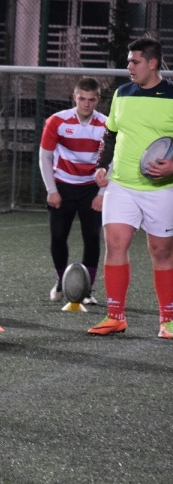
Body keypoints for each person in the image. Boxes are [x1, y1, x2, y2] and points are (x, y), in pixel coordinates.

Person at [88, 37, 173, 337]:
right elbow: (109, 135)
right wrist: (102, 165)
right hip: (121, 185)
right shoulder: (122, 94)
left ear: (152, 63)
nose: (129, 67)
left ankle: (168, 320)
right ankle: (115, 316)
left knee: (161, 251)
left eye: (134, 61)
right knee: (115, 244)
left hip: (161, 188)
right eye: (128, 61)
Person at [40, 76, 107, 305]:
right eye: (82, 99)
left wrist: (101, 195)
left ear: (98, 100)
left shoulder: (107, 125)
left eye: (91, 100)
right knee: (58, 236)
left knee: (92, 237)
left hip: (91, 188)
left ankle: (87, 290)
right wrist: (51, 189)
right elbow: (45, 156)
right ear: (74, 98)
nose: (86, 104)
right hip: (62, 186)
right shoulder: (57, 121)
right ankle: (61, 282)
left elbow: (113, 162)